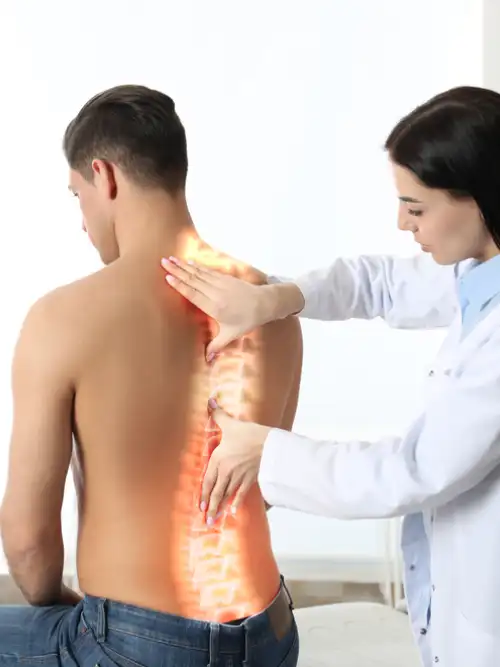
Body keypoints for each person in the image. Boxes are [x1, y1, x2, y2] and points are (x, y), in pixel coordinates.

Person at [161, 85, 500, 667]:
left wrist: (265, 452)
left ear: (482, 199)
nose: (401, 222)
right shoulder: (478, 271)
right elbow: (379, 284)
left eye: (416, 208)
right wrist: (275, 298)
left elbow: (412, 471)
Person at [0, 84, 302, 667]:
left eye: (78, 195)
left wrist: (65, 609)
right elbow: (261, 489)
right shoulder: (270, 303)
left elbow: (29, 543)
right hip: (271, 636)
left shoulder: (62, 318)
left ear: (104, 176)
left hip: (135, 645)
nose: (82, 221)